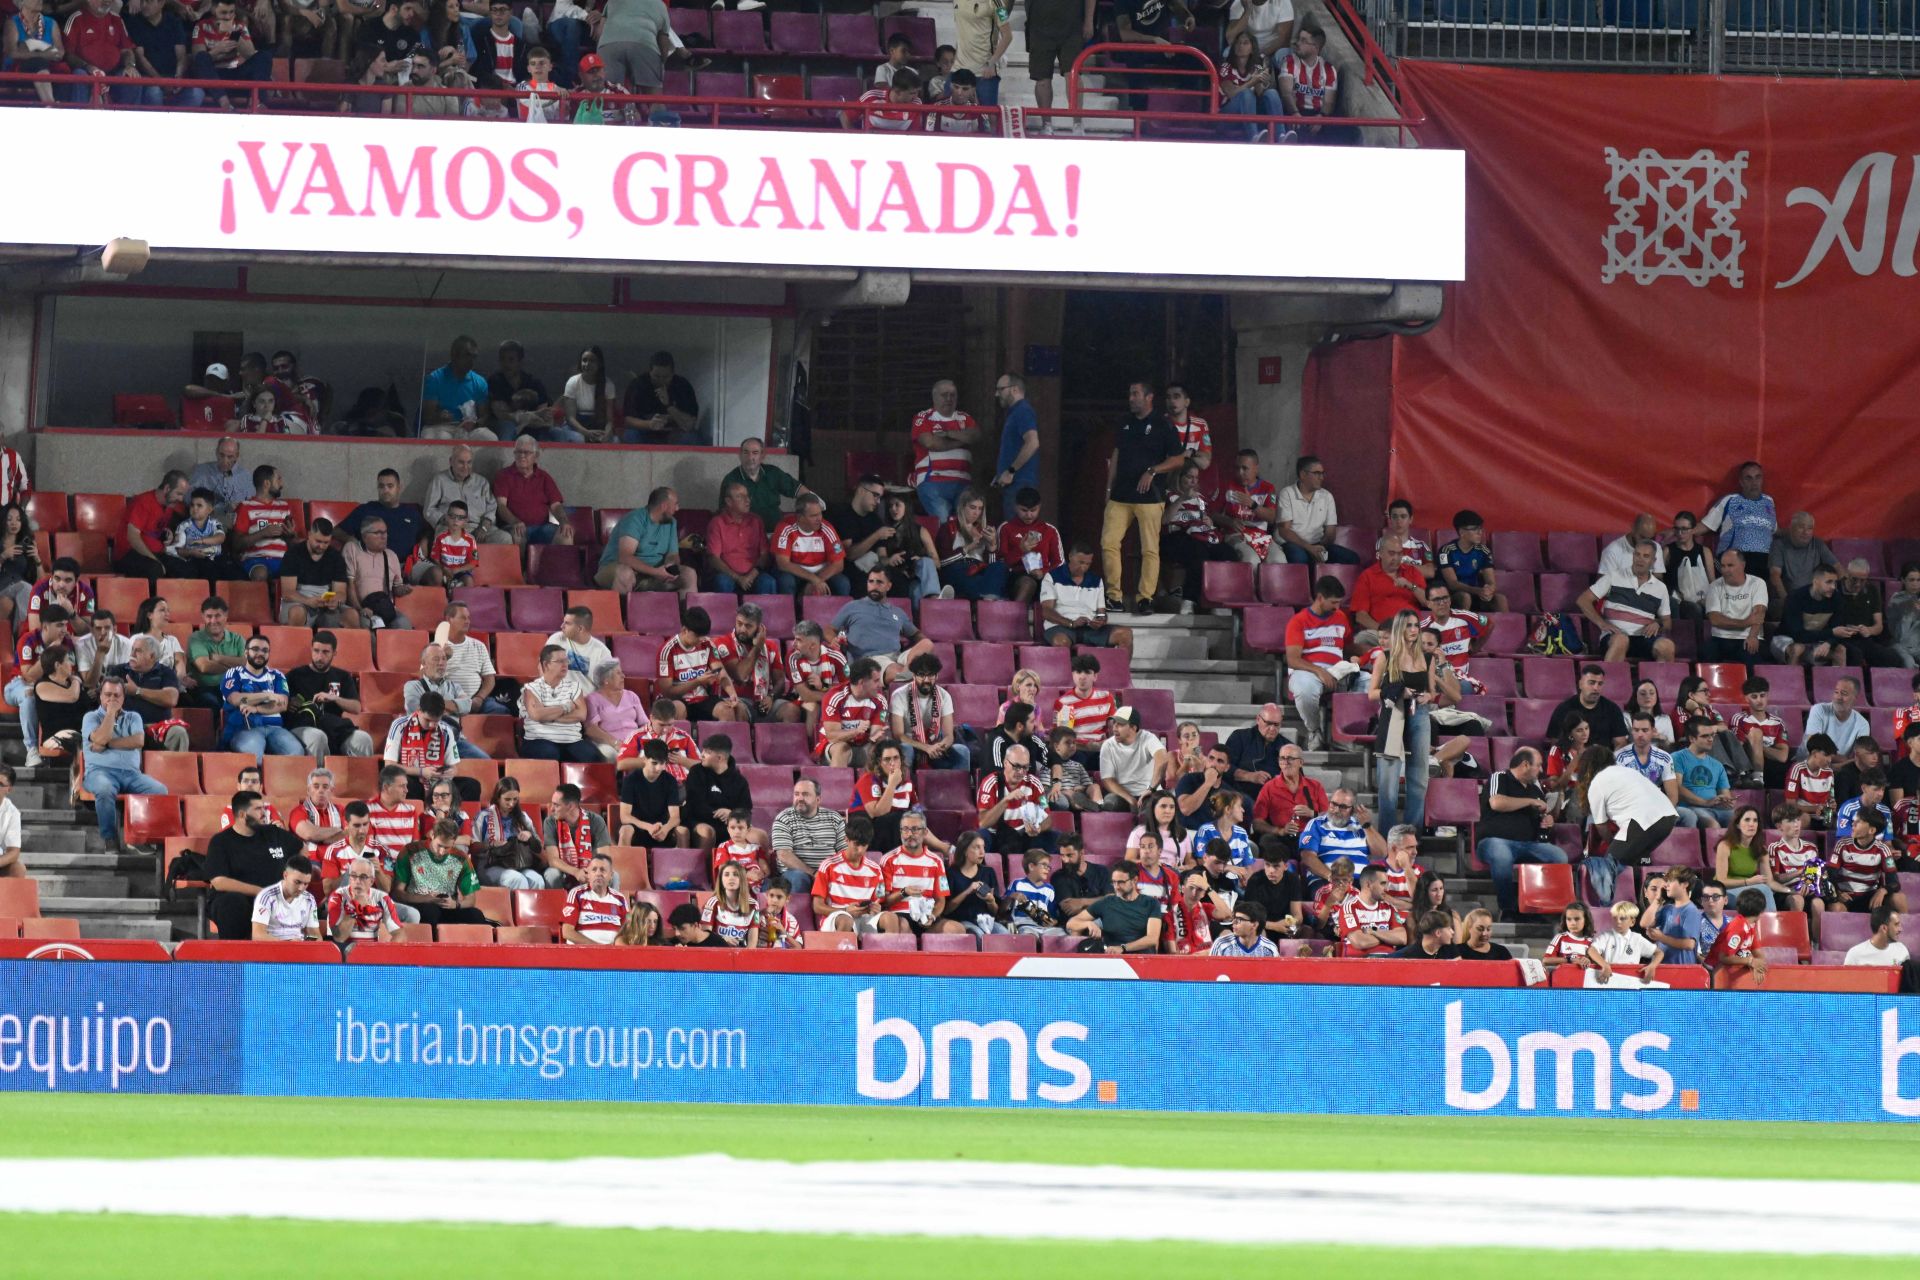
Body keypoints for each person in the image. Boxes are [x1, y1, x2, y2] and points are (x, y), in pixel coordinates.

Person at [1101, 380, 1186, 616]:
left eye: (1135, 394)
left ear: (1149, 397)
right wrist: (1108, 490)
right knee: (1109, 543)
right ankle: (1114, 597)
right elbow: (1116, 455)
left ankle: (1145, 598)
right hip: (1120, 495)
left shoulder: (1163, 424)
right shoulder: (1124, 423)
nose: (1131, 398)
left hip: (1150, 497)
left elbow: (1178, 459)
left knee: (1150, 550)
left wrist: (1153, 470)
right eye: (1130, 394)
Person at [1369, 610, 1445, 833]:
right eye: (1408, 626)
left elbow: (1433, 692)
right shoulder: (1386, 656)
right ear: (1399, 629)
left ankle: (1413, 836)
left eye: (1415, 626)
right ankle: (1387, 836)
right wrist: (1399, 692)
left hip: (1419, 713)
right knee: (1389, 784)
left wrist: (1427, 696)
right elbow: (1372, 693)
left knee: (1419, 777)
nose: (1413, 630)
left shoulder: (1427, 658)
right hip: (1393, 714)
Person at [1577, 744, 1680, 902]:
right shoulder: (1627, 771)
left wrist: (1612, 843)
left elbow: (1601, 826)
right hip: (1667, 818)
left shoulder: (1596, 783)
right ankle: (1632, 904)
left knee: (1606, 867)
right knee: (1628, 864)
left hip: (1644, 820)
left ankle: (1601, 909)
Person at [1477, 747, 1568, 918]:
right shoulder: (1500, 777)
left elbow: (1542, 813)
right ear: (1525, 764)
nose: (1541, 770)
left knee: (1559, 857)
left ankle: (1542, 909)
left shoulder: (1536, 788)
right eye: (1539, 765)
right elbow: (1496, 802)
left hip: (1529, 844)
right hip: (1494, 840)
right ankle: (1508, 909)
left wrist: (1548, 820)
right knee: (1502, 855)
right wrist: (1530, 801)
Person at [80, 678, 168, 853]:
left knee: (160, 790)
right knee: (104, 789)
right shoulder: (90, 717)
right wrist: (110, 714)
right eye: (107, 695)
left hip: (132, 774)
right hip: (99, 772)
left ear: (123, 698)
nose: (112, 699)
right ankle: (110, 838)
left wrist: (106, 744)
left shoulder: (133, 717)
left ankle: (139, 838)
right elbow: (99, 738)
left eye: (116, 696)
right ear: (100, 697)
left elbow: (138, 740)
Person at [204, 790, 303, 940]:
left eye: (263, 808)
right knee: (231, 904)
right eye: (258, 809)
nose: (264, 813)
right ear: (243, 815)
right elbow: (219, 881)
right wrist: (262, 892)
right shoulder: (221, 841)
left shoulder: (274, 833)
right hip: (238, 900)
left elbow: (301, 849)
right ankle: (235, 959)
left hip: (277, 899)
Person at [1578, 540, 1677, 663]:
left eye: (1646, 556)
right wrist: (1602, 623)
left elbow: (1667, 622)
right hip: (1614, 637)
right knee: (1621, 640)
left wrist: (1658, 624)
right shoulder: (1614, 576)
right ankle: (1610, 681)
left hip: (1643, 638)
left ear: (1654, 561)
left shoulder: (1660, 588)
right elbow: (1583, 600)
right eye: (1637, 554)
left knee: (1667, 646)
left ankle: (1659, 682)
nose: (1640, 559)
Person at [833, 568, 933, 681]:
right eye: (871, 581)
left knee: (927, 643)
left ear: (888, 586)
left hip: (897, 657)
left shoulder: (897, 612)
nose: (874, 586)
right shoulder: (853, 606)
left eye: (879, 582)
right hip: (869, 660)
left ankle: (907, 674)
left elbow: (916, 634)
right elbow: (829, 629)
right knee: (898, 669)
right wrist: (834, 640)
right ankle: (908, 675)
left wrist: (920, 650)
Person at [392, 819, 492, 929]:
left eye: (446, 847)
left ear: (454, 842)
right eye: (439, 845)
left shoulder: (461, 858)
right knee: (431, 912)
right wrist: (425, 898)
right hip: (418, 904)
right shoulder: (410, 851)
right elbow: (397, 894)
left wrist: (456, 904)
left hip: (447, 908)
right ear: (432, 835)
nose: (441, 851)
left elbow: (471, 899)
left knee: (476, 915)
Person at [596, 486, 693, 595]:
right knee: (625, 574)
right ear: (664, 506)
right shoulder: (635, 519)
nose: (677, 509)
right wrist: (656, 572)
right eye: (675, 504)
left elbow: (673, 554)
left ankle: (688, 612)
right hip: (616, 569)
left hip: (652, 574)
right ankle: (621, 611)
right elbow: (625, 557)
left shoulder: (671, 523)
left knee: (689, 575)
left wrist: (669, 567)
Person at [221, 634, 304, 761]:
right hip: (247, 729)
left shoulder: (277, 675)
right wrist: (268, 695)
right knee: (254, 755)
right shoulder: (234, 673)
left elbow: (282, 704)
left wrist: (256, 709)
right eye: (255, 649)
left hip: (275, 729)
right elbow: (235, 699)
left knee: (297, 753)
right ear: (246, 652)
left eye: (265, 651)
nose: (260, 653)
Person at [907, 378, 981, 520]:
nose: (949, 398)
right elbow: (930, 443)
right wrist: (962, 440)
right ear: (934, 397)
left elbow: (976, 436)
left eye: (953, 395)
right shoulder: (924, 417)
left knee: (967, 523)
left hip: (963, 482)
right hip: (933, 480)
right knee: (943, 523)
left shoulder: (964, 417)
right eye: (944, 395)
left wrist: (948, 434)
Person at [1040, 543, 1133, 652]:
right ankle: (1066, 669)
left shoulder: (1096, 580)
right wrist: (1071, 623)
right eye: (1080, 562)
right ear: (1070, 557)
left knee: (1125, 634)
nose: (1083, 567)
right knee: (1061, 642)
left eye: (1087, 564)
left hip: (1089, 629)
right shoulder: (1052, 576)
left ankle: (1122, 669)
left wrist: (1100, 621)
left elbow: (1101, 612)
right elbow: (1046, 611)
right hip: (1061, 627)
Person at [812, 814, 891, 934]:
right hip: (837, 917)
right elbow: (817, 906)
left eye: (863, 845)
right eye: (856, 844)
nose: (860, 850)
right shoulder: (828, 866)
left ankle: (888, 952)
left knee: (891, 919)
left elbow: (880, 901)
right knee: (846, 920)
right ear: (846, 840)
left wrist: (877, 908)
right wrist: (845, 910)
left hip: (865, 918)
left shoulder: (876, 870)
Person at [1701, 460, 1778, 582]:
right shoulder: (1730, 500)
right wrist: (1679, 530)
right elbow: (1705, 526)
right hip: (1735, 558)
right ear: (1741, 482)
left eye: (1758, 477)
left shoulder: (1769, 502)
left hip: (1763, 560)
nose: (1754, 482)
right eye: (1749, 478)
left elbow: (1773, 531)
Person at [1065, 860, 1164, 954]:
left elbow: (1152, 938)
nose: (1116, 887)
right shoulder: (1106, 902)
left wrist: (1123, 948)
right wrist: (1088, 923)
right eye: (1114, 882)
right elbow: (1071, 923)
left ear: (1134, 880)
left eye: (1121, 882)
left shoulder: (1151, 903)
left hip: (1142, 960)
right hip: (1114, 960)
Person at [889, 653, 967, 772]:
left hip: (935, 746)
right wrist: (926, 748)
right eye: (921, 675)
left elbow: (948, 735)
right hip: (912, 746)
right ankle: (905, 788)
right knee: (906, 749)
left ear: (936, 676)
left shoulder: (944, 696)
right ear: (914, 675)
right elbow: (898, 735)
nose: (926, 680)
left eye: (930, 675)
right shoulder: (899, 695)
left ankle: (958, 789)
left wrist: (938, 747)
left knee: (962, 751)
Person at [520, 644, 597, 762]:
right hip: (538, 739)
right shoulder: (531, 688)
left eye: (566, 660)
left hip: (572, 740)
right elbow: (537, 715)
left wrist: (548, 714)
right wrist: (567, 706)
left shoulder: (574, 687)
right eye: (560, 661)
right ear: (546, 664)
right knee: (549, 753)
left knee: (593, 755)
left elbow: (581, 715)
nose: (565, 664)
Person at [771, 777, 847, 897]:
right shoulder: (784, 818)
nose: (800, 798)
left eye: (805, 794)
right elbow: (784, 855)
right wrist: (813, 873)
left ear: (818, 799)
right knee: (798, 878)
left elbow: (844, 852)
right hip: (795, 874)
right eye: (797, 794)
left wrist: (827, 874)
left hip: (828, 873)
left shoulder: (834, 818)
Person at [719, 436, 812, 531]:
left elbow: (802, 491)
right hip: (745, 535)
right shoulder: (730, 480)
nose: (750, 457)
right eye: (746, 452)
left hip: (774, 532)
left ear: (762, 456)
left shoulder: (773, 473)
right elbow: (723, 515)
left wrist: (808, 509)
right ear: (740, 455)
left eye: (755, 453)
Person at [492, 438, 573, 546]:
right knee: (518, 534)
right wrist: (515, 521)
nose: (522, 455)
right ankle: (520, 563)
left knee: (565, 534)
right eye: (518, 452)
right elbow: (501, 506)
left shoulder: (544, 477)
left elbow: (556, 505)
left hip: (542, 527)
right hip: (513, 526)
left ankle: (559, 563)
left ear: (536, 456)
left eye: (526, 452)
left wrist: (564, 521)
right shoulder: (504, 476)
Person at [424, 446, 512, 546]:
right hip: (450, 527)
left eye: (469, 462)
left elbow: (492, 508)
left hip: (478, 526)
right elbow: (429, 510)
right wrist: (447, 520)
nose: (465, 467)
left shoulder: (482, 482)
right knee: (446, 539)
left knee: (504, 538)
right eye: (461, 462)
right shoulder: (439, 480)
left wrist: (484, 527)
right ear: (451, 461)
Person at [470, 777, 546, 891]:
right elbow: (473, 847)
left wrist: (529, 837)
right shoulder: (484, 817)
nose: (511, 803)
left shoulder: (523, 817)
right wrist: (491, 845)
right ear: (498, 798)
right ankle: (515, 908)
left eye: (515, 799)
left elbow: (538, 847)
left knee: (537, 880)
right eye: (507, 799)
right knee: (517, 879)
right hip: (489, 865)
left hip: (519, 863)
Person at [977, 743, 1054, 855]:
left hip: (1025, 836)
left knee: (1055, 838)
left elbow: (1048, 819)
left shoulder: (1034, 783)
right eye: (1017, 766)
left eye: (1025, 767)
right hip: (996, 836)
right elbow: (983, 823)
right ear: (1005, 763)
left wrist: (1038, 828)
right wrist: (1005, 800)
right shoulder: (991, 783)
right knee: (981, 837)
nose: (1021, 772)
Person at [278, 518, 355, 629]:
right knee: (297, 613)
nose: (322, 546)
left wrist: (335, 601)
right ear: (309, 535)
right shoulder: (293, 554)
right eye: (318, 541)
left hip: (325, 605)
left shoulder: (336, 557)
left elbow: (341, 593)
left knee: (351, 615)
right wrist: (308, 601)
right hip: (299, 601)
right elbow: (288, 593)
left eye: (326, 542)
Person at [705, 480, 778, 595]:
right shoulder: (717, 523)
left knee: (768, 582)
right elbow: (714, 558)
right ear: (728, 501)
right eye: (740, 497)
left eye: (747, 496)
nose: (747, 500)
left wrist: (751, 575)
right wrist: (737, 578)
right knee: (722, 582)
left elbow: (765, 555)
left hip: (753, 574)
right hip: (728, 574)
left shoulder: (756, 521)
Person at [935, 488, 1008, 602]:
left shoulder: (983, 529)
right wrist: (967, 549)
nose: (976, 513)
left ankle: (987, 599)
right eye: (972, 507)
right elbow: (943, 561)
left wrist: (992, 545)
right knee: (985, 584)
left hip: (979, 569)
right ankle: (990, 599)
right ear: (962, 507)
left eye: (980, 509)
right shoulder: (948, 527)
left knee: (999, 567)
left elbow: (992, 566)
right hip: (957, 568)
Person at [772, 495, 849, 597]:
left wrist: (817, 580)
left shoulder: (827, 529)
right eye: (813, 516)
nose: (819, 519)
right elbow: (783, 564)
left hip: (821, 573)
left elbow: (839, 564)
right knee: (786, 581)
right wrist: (813, 579)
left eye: (820, 514)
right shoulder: (786, 527)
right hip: (795, 573)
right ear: (800, 517)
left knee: (842, 583)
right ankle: (790, 612)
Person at [816, 658, 887, 768]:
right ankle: (835, 784)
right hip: (833, 747)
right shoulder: (834, 697)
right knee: (842, 749)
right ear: (861, 682)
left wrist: (876, 737)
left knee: (884, 750)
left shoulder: (880, 700)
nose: (880, 685)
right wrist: (856, 731)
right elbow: (832, 736)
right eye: (876, 681)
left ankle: (873, 784)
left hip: (864, 745)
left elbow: (875, 733)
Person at [1215, 449, 1280, 566]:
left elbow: (1272, 518)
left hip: (1260, 537)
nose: (1240, 472)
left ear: (1256, 468)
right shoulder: (1227, 486)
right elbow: (1212, 514)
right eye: (1237, 468)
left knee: (1278, 560)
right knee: (1251, 560)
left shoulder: (1268, 488)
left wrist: (1252, 504)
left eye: (1245, 468)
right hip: (1235, 535)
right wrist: (1229, 521)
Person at [1703, 547, 1768, 664]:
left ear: (1742, 565)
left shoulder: (1757, 583)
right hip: (1721, 638)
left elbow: (1759, 614)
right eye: (1723, 566)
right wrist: (1744, 623)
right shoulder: (1714, 586)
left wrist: (1753, 636)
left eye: (1730, 565)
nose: (1726, 570)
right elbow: (1715, 619)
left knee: (1751, 654)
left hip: (1747, 637)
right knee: (1706, 652)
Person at [1772, 562, 1844, 666]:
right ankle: (1792, 680)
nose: (1833, 587)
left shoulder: (1837, 599)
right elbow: (1798, 635)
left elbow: (1839, 629)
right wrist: (1831, 633)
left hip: (1815, 640)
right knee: (1798, 648)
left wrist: (1829, 643)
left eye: (1835, 583)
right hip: (1787, 639)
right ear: (1815, 582)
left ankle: (1840, 681)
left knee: (1840, 650)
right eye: (1829, 582)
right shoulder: (1796, 597)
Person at [541, 782, 611, 890]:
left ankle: (605, 906)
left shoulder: (596, 821)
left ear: (570, 806)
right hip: (564, 871)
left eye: (556, 805)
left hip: (590, 870)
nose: (551, 809)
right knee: (552, 874)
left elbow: (604, 857)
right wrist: (576, 872)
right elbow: (553, 860)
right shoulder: (550, 822)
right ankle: (558, 906)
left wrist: (590, 872)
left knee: (614, 876)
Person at [1251, 746, 1331, 840]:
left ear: (1301, 763)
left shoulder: (1315, 786)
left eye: (1290, 758)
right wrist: (1280, 831)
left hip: (1310, 836)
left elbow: (1329, 817)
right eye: (1282, 758)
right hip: (1282, 837)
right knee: (1267, 840)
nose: (1286, 762)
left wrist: (1312, 814)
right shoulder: (1269, 787)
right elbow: (1257, 822)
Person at [622, 350, 700, 445]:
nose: (661, 380)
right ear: (650, 372)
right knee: (631, 435)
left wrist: (669, 405)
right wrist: (650, 424)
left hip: (674, 433)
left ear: (672, 374)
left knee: (691, 437)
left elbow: (689, 425)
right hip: (645, 432)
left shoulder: (682, 386)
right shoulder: (638, 385)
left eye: (665, 377)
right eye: (656, 376)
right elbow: (628, 420)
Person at [326, 855, 406, 946]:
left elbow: (399, 933)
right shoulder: (338, 897)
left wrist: (387, 954)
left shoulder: (382, 898)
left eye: (363, 877)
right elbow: (339, 937)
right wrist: (355, 906)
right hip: (344, 952)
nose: (357, 881)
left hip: (371, 953)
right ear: (349, 878)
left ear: (371, 881)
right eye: (354, 876)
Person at [990, 373, 1041, 518]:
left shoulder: (1023, 411)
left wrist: (1011, 471)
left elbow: (1033, 442)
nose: (996, 394)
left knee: (1017, 531)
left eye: (1000, 389)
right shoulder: (1014, 413)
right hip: (1014, 483)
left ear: (1014, 389)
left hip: (1020, 483)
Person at [618, 740, 685, 849]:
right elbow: (625, 817)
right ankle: (622, 865)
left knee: (683, 831)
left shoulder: (670, 780)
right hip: (638, 827)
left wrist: (665, 829)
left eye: (663, 763)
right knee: (625, 830)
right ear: (644, 760)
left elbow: (675, 817)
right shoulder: (631, 780)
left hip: (661, 829)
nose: (659, 768)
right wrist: (648, 827)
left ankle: (684, 865)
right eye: (654, 763)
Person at [1349, 537, 1427, 631]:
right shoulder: (1367, 576)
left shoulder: (1412, 572)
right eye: (1391, 553)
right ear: (1380, 554)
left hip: (1412, 631)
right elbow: (1361, 616)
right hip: (1380, 632)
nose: (1396, 558)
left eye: (1399, 554)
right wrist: (1384, 632)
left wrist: (1410, 586)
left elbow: (1427, 602)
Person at [1547, 664, 1631, 750]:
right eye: (1591, 683)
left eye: (1600, 684)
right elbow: (1556, 745)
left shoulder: (1612, 709)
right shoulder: (1564, 709)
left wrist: (1609, 760)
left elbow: (1620, 743)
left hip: (1604, 760)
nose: (1596, 688)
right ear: (1580, 684)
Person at [1099, 707, 1167, 811]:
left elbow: (1162, 760)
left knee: (1153, 805)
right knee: (1110, 801)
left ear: (1134, 728)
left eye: (1120, 724)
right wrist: (1130, 799)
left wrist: (1151, 789)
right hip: (1122, 795)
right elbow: (1108, 780)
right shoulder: (1108, 745)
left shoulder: (1148, 738)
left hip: (1149, 793)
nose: (1114, 728)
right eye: (1114, 723)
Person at [1644, 867, 1714, 965]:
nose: (1666, 886)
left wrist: (1661, 937)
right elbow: (1646, 924)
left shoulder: (1691, 911)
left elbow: (1690, 944)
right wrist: (1657, 900)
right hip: (1661, 965)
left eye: (1670, 882)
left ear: (1684, 885)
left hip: (1680, 968)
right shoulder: (1667, 909)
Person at [1334, 865, 1408, 957]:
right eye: (1383, 883)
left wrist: (1374, 932)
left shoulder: (1389, 907)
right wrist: (1388, 938)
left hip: (1389, 961)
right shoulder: (1349, 908)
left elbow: (1402, 938)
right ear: (1368, 885)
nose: (1387, 889)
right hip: (1360, 962)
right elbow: (1360, 942)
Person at [557, 852, 627, 945]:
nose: (598, 873)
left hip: (611, 955)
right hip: (581, 954)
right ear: (588, 874)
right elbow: (567, 932)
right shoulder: (576, 894)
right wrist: (597, 948)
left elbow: (627, 931)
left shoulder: (621, 899)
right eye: (594, 870)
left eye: (603, 870)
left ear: (611, 875)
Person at [250, 855, 321, 941]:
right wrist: (288, 944)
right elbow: (258, 935)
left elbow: (315, 935)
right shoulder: (267, 897)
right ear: (285, 875)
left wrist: (306, 943)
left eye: (306, 884)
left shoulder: (309, 899)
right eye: (297, 882)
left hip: (299, 948)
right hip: (273, 949)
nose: (301, 888)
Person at [1808, 676, 1870, 758]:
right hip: (1815, 764)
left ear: (1855, 698)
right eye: (1836, 692)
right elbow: (1813, 749)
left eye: (1844, 694)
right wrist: (1842, 760)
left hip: (1842, 767)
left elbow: (1860, 757)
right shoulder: (1819, 710)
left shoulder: (1862, 724)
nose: (1838, 697)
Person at [1844, 904, 1909, 967]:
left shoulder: (1901, 949)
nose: (1901, 929)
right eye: (1896, 924)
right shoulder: (1855, 954)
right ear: (1884, 928)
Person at [1441, 908, 1513, 960]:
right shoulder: (1456, 951)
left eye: (1488, 929)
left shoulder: (1501, 951)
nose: (1485, 933)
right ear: (1469, 927)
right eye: (1480, 929)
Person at [1543, 901, 1598, 969]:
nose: (1573, 923)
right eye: (1569, 919)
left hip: (1583, 978)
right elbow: (1546, 960)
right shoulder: (1560, 938)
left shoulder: (1592, 942)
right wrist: (1571, 960)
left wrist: (1589, 961)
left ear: (1585, 920)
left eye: (1577, 919)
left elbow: (1599, 963)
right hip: (1562, 977)